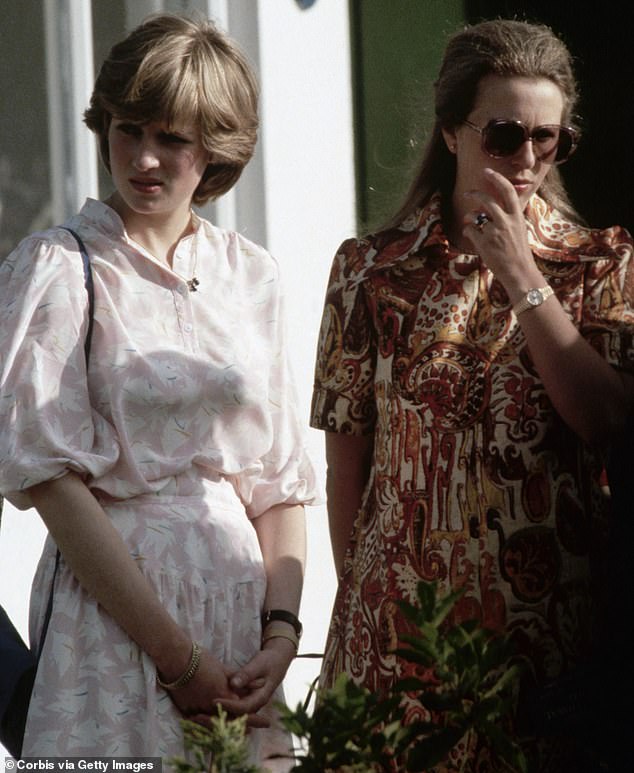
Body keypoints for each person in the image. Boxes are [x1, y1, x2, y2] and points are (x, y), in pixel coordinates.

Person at [310, 18, 634, 772]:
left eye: (549, 139)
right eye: (504, 134)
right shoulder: (370, 271)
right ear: (453, 132)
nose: (527, 159)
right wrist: (369, 615)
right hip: (397, 646)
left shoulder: (601, 262)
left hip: (545, 643)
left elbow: (605, 419)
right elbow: (347, 468)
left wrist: (523, 274)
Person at [0, 13, 318, 768]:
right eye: (127, 128)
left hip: (242, 628)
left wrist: (281, 635)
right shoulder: (61, 265)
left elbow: (278, 483)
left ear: (213, 148)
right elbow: (50, 479)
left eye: (171, 138)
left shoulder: (253, 274)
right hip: (113, 621)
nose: (143, 157)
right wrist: (179, 661)